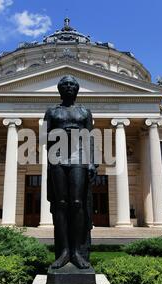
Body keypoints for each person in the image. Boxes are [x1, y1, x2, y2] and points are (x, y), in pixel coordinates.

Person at [44, 75, 97, 269]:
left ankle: (77, 251)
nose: (68, 87)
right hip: (57, 157)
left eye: (72, 85)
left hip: (79, 156)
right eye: (65, 84)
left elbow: (90, 138)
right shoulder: (51, 112)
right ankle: (64, 251)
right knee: (61, 204)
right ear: (59, 89)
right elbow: (44, 138)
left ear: (77, 89)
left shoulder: (85, 111)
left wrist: (92, 163)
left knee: (77, 202)